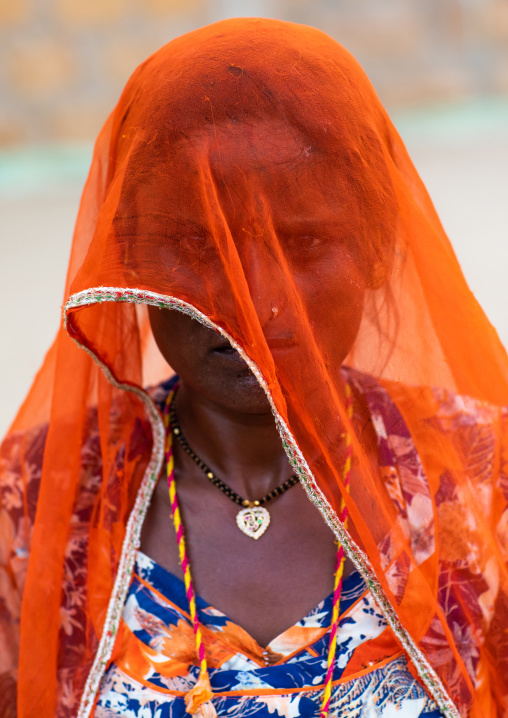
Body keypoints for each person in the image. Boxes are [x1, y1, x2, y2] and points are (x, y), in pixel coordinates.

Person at [1, 16, 507, 718]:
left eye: (302, 243)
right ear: (130, 261)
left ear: (375, 246)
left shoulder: (485, 484)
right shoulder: (30, 506)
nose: (257, 305)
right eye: (198, 245)